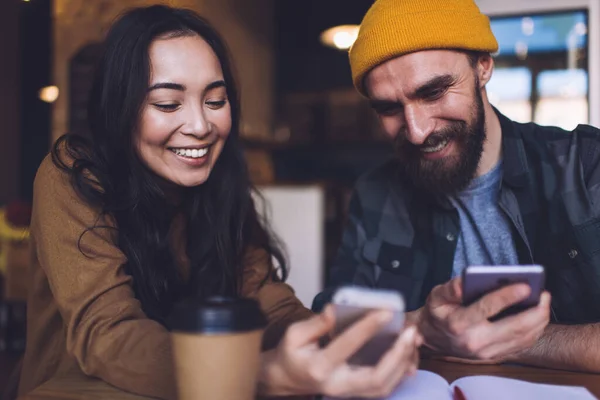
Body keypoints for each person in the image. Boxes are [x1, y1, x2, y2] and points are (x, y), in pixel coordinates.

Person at [14, 5, 422, 400]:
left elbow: (268, 301)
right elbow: (109, 334)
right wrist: (257, 375)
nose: (200, 126)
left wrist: (341, 342)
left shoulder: (219, 182)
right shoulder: (73, 177)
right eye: (168, 104)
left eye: (214, 101)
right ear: (120, 109)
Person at [314, 0, 600, 372]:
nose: (417, 132)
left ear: (483, 67)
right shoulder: (376, 193)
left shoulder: (585, 165)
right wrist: (422, 326)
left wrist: (507, 343)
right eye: (388, 108)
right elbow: (330, 324)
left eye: (432, 92)